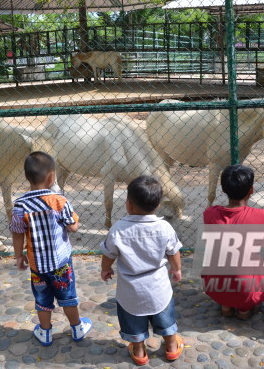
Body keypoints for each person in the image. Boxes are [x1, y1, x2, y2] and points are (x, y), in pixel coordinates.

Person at [10, 152, 93, 346]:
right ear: (52, 177)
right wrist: (73, 218)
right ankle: (77, 328)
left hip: (37, 266)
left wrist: (18, 256)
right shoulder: (59, 201)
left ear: (26, 176)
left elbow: (17, 233)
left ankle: (45, 332)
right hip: (61, 264)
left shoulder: (20, 205)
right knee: (68, 296)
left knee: (42, 298)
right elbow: (73, 227)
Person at [100, 175, 184, 366]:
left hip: (130, 291)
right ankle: (171, 346)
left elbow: (108, 254)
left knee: (133, 321)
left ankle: (139, 351)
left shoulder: (118, 229)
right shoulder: (164, 227)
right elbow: (174, 252)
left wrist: (105, 269)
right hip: (158, 288)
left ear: (129, 205)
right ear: (158, 205)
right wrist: (177, 270)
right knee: (165, 318)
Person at [202, 164, 264, 320]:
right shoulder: (262, 216)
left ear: (223, 189)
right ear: (251, 190)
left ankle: (226, 306)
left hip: (216, 287)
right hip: (246, 288)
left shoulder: (210, 214)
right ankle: (244, 310)